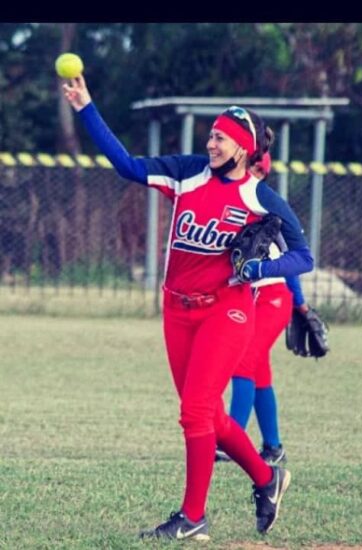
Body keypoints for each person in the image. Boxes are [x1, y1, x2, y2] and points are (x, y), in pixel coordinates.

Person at [62, 75, 314, 542]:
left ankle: (192, 516)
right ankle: (267, 477)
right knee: (209, 418)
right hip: (177, 310)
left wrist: (259, 269)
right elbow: (127, 166)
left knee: (196, 411)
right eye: (212, 135)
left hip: (229, 310)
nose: (211, 142)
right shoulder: (187, 171)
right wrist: (86, 107)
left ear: (241, 148)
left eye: (220, 137)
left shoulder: (259, 196)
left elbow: (305, 256)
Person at [216, 153, 311, 466]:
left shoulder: (268, 209)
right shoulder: (233, 206)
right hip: (251, 299)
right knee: (258, 372)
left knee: (243, 363)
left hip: (272, 298)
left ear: (260, 171)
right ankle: (273, 447)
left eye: (256, 168)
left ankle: (234, 439)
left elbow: (291, 260)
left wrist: (299, 303)